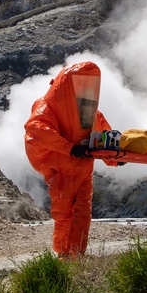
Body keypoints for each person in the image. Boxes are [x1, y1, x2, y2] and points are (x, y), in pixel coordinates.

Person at [24, 61, 111, 258]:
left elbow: (104, 133)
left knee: (82, 213)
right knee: (64, 213)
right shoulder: (46, 106)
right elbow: (36, 128)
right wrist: (70, 148)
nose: (86, 88)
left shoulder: (89, 111)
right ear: (67, 84)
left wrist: (113, 157)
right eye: (81, 83)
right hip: (62, 169)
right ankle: (64, 255)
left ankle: (77, 255)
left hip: (83, 168)